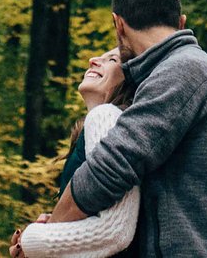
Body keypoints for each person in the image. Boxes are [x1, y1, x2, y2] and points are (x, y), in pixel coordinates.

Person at [27, 0, 207, 258]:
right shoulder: (189, 72)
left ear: (118, 23)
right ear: (181, 21)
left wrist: (49, 234)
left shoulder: (183, 70)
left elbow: (109, 169)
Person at [9, 48, 142, 258]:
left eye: (112, 59)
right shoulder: (96, 129)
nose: (93, 60)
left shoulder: (106, 117)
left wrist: (34, 242)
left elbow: (114, 231)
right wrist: (54, 226)